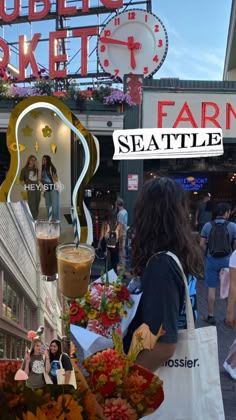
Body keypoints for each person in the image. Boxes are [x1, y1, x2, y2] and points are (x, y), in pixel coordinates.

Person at [123, 177, 204, 371]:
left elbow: (163, 347)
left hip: (158, 378)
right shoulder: (180, 255)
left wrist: (124, 386)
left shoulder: (162, 265)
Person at [200, 202, 236, 325]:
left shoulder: (207, 226)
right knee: (229, 288)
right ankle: (229, 316)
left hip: (211, 260)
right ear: (226, 213)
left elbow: (201, 244)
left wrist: (208, 253)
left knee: (211, 288)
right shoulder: (232, 226)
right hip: (228, 261)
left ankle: (211, 316)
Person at [98, 209, 123, 273]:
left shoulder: (105, 223)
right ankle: (114, 278)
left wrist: (99, 244)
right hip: (115, 246)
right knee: (114, 263)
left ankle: (107, 278)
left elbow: (102, 235)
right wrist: (121, 247)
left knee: (107, 264)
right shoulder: (120, 225)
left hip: (107, 246)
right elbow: (120, 237)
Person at [19, 155, 41, 220]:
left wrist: (39, 169)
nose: (33, 161)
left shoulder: (36, 169)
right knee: (32, 204)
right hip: (30, 189)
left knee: (37, 203)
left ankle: (35, 218)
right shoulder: (24, 169)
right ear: (29, 160)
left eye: (34, 160)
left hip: (37, 188)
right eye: (32, 160)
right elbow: (21, 180)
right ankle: (32, 219)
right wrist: (26, 186)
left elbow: (39, 179)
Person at [41, 155, 60, 220]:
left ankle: (56, 222)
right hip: (46, 189)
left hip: (53, 188)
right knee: (47, 205)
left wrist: (54, 177)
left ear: (48, 160)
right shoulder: (42, 168)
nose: (42, 161)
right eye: (42, 159)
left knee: (55, 206)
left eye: (44, 159)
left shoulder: (51, 167)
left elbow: (56, 178)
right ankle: (50, 220)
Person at [116, 198, 128, 268]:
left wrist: (118, 235)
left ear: (117, 205)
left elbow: (120, 225)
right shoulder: (125, 211)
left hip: (121, 233)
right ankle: (123, 265)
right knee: (123, 249)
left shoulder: (120, 213)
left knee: (121, 249)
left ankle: (121, 265)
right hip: (124, 232)